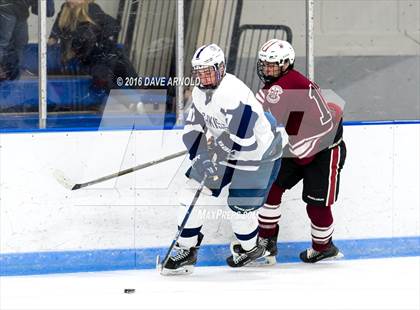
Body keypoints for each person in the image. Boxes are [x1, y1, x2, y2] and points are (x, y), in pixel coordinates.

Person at [161, 44, 282, 275]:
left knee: (239, 210)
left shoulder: (234, 92)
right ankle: (186, 249)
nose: (203, 77)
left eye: (209, 71)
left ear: (221, 68)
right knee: (192, 191)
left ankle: (250, 249)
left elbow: (243, 137)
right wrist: (200, 156)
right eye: (199, 72)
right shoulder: (198, 92)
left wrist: (214, 154)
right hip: (225, 149)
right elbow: (193, 129)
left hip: (257, 153)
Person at [255, 39, 346, 264]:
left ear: (286, 64)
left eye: (272, 65)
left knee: (317, 205)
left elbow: (326, 124)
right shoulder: (275, 85)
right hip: (297, 145)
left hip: (325, 148)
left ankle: (323, 247)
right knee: (271, 189)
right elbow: (255, 114)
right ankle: (266, 243)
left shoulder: (286, 84)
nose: (267, 69)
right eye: (264, 64)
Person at [48, 0, 136, 93]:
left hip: (101, 54)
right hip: (83, 59)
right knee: (104, 74)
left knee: (121, 68)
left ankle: (139, 99)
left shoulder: (91, 8)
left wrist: (96, 35)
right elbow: (53, 38)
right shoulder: (65, 10)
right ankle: (131, 101)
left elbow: (114, 26)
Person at [0, 0, 55, 81]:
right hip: (7, 9)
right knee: (5, 42)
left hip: (20, 12)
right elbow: (44, 11)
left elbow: (43, 11)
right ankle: (10, 73)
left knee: (20, 43)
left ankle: (13, 75)